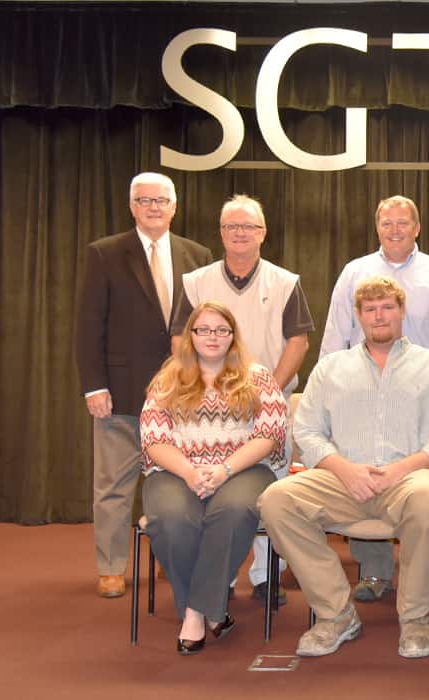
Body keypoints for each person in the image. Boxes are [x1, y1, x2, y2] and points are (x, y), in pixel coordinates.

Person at [259, 277, 429, 660]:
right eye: (370, 309)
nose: (379, 315)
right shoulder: (330, 367)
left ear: (402, 312)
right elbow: (307, 430)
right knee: (276, 500)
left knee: (428, 499)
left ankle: (415, 618)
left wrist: (404, 468)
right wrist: (344, 470)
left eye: (387, 307)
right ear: (358, 316)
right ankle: (337, 615)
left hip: (409, 479)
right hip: (342, 479)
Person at [320, 195, 429, 603]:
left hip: (422, 403)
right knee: (365, 474)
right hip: (363, 397)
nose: (395, 229)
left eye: (403, 223)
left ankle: (420, 576)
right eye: (387, 223)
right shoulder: (355, 272)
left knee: (419, 483)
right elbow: (335, 336)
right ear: (377, 227)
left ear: (417, 228)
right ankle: (374, 571)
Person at [171, 194, 314, 606]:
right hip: (206, 411)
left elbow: (299, 342)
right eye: (232, 226)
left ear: (262, 233)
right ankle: (224, 576)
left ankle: (268, 574)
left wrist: (266, 391)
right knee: (216, 492)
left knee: (272, 492)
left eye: (248, 226)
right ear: (220, 233)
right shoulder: (196, 282)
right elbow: (181, 340)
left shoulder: (285, 281)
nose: (239, 233)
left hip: (267, 408)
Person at [75, 172, 212, 598]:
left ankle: (175, 557)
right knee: (114, 485)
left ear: (175, 206)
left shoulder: (198, 254)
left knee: (181, 484)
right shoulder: (105, 253)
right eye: (145, 200)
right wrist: (93, 385)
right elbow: (87, 324)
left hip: (184, 396)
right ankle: (112, 566)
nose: (154, 207)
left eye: (162, 200)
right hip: (122, 391)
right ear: (132, 207)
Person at [140, 301, 287, 655]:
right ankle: (212, 609)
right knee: (169, 519)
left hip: (243, 470)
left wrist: (224, 470)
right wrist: (191, 472)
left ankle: (194, 611)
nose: (212, 337)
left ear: (232, 336)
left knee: (233, 512)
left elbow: (270, 434)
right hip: (176, 471)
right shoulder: (166, 380)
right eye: (203, 329)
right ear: (190, 335)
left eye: (221, 330)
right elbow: (154, 440)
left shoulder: (258, 377)